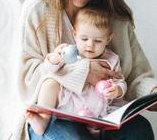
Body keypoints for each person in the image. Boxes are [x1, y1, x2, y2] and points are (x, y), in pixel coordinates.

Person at [19, 0, 157, 139]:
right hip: (53, 114)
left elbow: (136, 75)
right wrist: (83, 72)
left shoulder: (115, 19)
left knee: (140, 130)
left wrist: (153, 92)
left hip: (102, 113)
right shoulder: (37, 10)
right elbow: (27, 79)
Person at [26, 7, 128, 136]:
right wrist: (55, 58)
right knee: (50, 83)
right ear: (74, 34)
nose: (90, 45)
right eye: (84, 39)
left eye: (98, 41)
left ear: (108, 39)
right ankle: (43, 120)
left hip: (96, 110)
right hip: (69, 104)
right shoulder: (70, 53)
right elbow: (50, 70)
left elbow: (120, 81)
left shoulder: (112, 60)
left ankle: (94, 129)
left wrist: (117, 90)